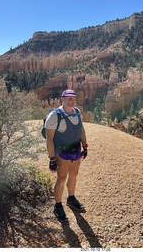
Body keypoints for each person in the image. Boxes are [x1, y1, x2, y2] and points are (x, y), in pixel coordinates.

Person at [45, 89, 88, 221]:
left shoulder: (77, 113)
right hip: (62, 153)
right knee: (62, 178)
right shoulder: (54, 116)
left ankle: (71, 198)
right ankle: (57, 206)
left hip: (75, 150)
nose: (71, 101)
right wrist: (52, 158)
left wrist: (85, 146)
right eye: (68, 99)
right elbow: (49, 139)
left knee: (74, 176)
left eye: (73, 99)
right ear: (61, 100)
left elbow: (81, 129)